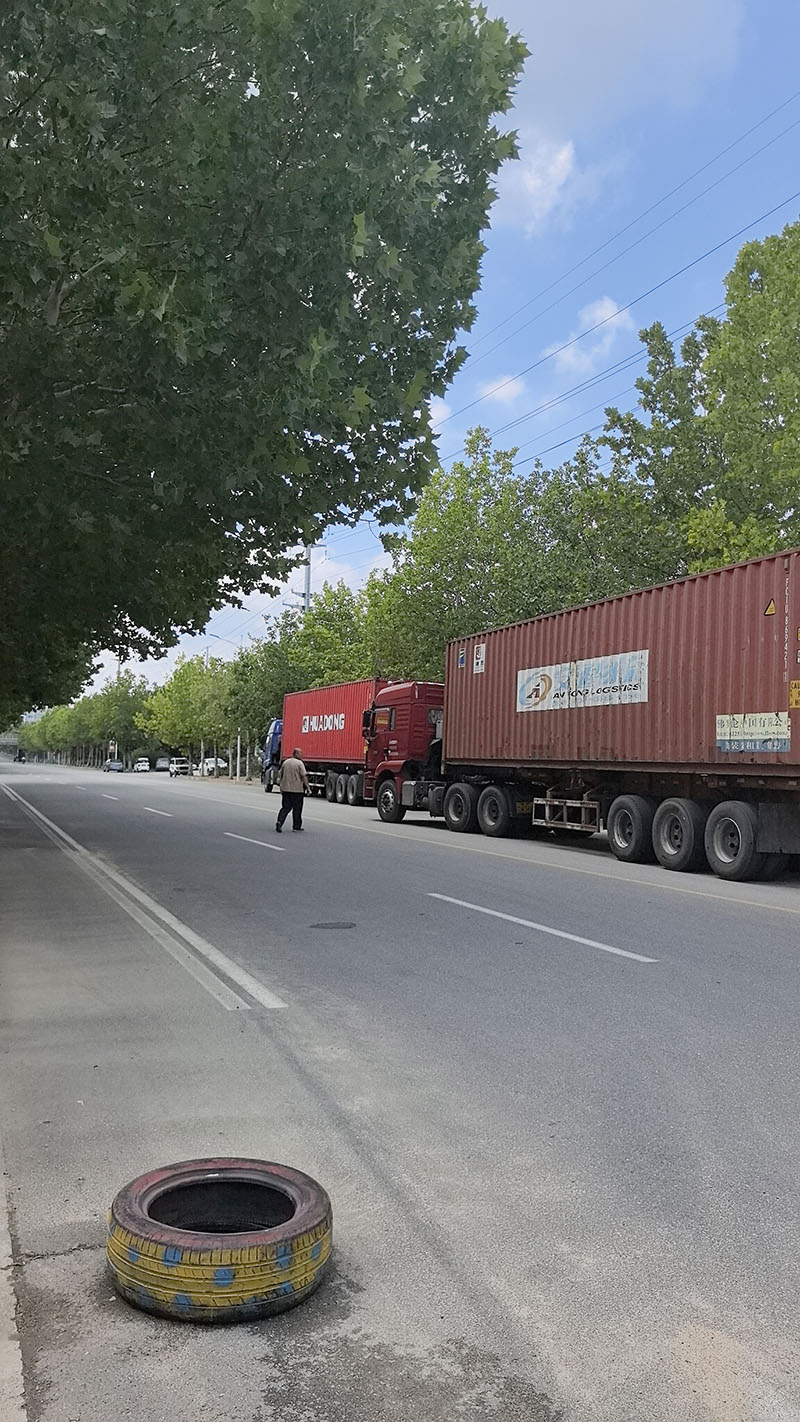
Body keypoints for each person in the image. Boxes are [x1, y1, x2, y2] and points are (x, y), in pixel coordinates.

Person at [275, 748, 309, 832]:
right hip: (297, 790)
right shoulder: (299, 763)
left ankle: (280, 822)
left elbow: (280, 774)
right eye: (300, 753)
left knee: (285, 808)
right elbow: (304, 776)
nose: (302, 755)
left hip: (286, 789)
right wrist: (308, 787)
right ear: (296, 754)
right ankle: (296, 826)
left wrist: (281, 786)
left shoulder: (285, 762)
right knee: (297, 809)